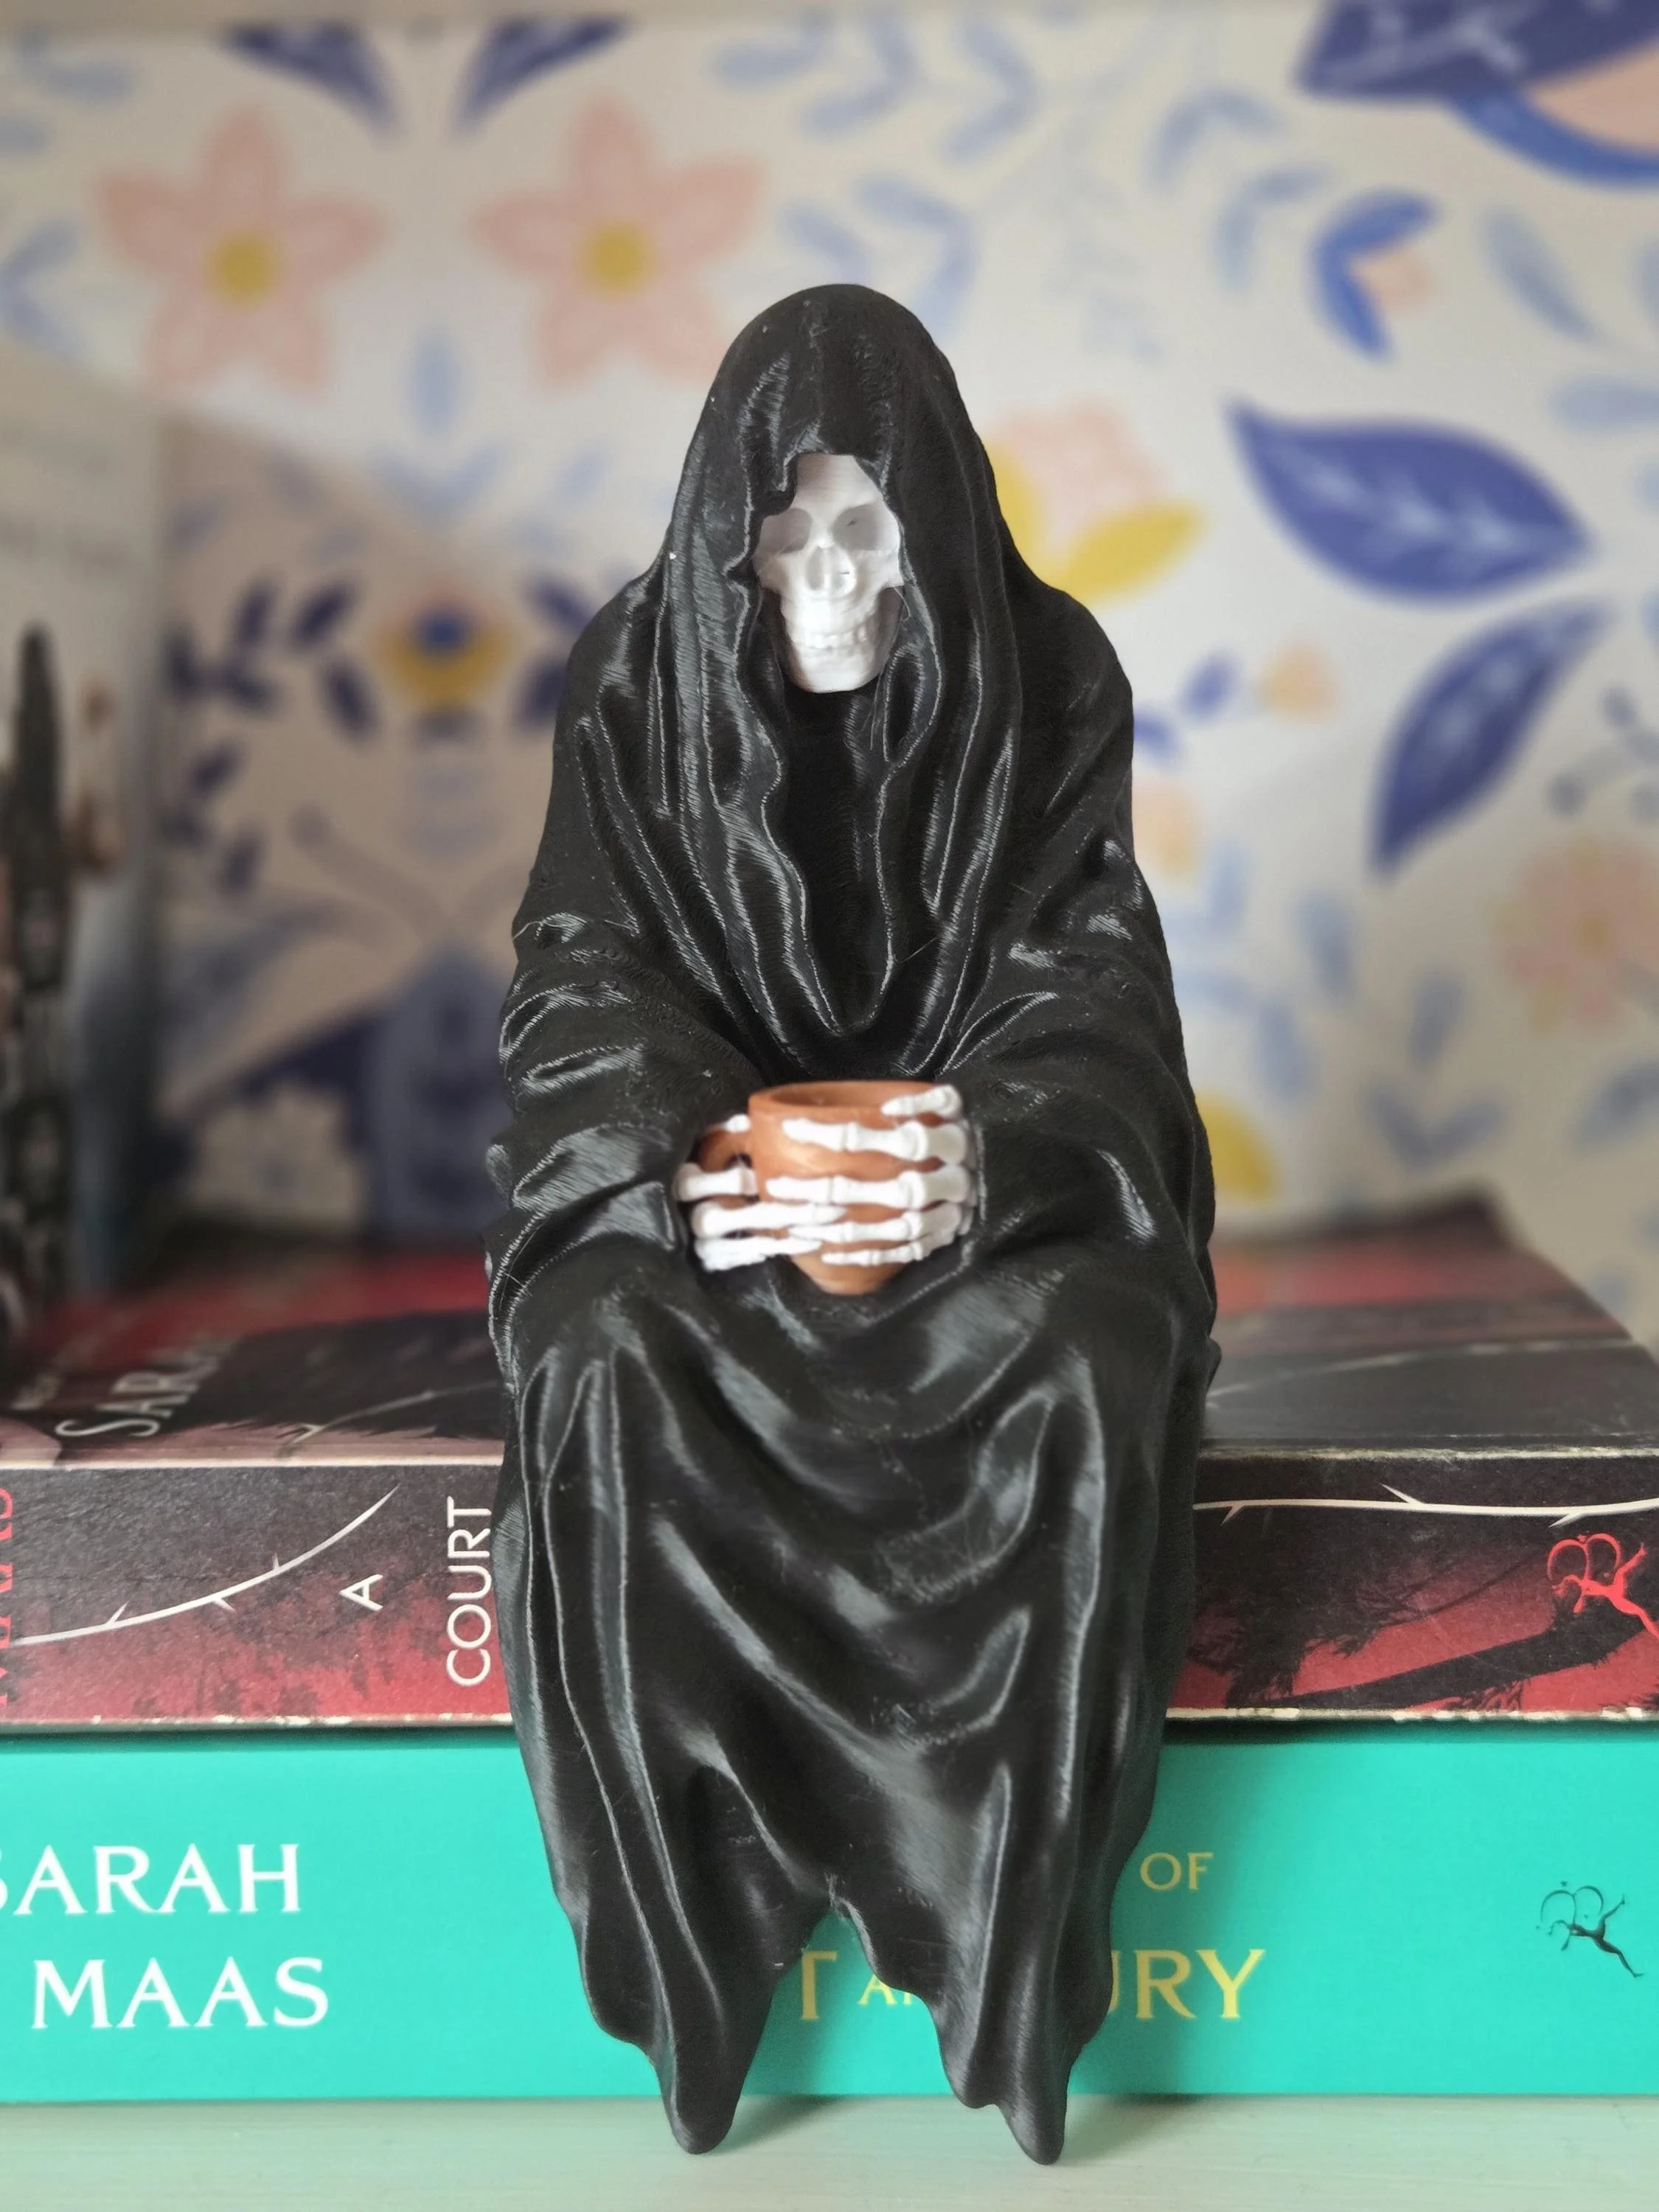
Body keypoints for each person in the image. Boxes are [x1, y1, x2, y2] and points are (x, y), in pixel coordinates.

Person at [487, 284, 1216, 2163]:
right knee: (600, 1355)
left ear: (936, 526)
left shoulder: (1051, 675)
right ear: (725, 539)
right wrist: (669, 1172)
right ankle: (704, 1970)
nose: (830, 578)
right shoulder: (635, 680)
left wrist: (993, 1157)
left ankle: (1008, 1975)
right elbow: (585, 974)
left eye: (870, 530)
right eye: (786, 533)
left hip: (969, 1219)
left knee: (1094, 1361)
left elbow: (1091, 985)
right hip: (727, 1230)